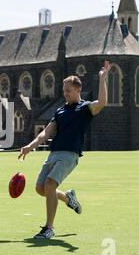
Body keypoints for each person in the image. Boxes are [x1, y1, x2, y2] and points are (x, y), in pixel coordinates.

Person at [18, 61, 110, 239]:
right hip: (54, 154)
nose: (65, 94)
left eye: (68, 91)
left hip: (70, 155)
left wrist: (102, 79)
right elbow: (46, 132)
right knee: (40, 188)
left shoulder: (85, 108)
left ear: (78, 90)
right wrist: (30, 146)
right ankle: (69, 199)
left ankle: (49, 228)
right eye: (64, 91)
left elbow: (102, 102)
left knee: (50, 184)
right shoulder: (60, 111)